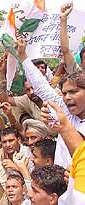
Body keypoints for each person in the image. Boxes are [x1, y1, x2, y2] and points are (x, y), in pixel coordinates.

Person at [15, 36, 85, 169]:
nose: (67, 97)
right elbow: (41, 86)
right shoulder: (65, 111)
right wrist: (23, 56)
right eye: (64, 93)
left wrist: (63, 126)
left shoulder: (64, 119)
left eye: (73, 92)